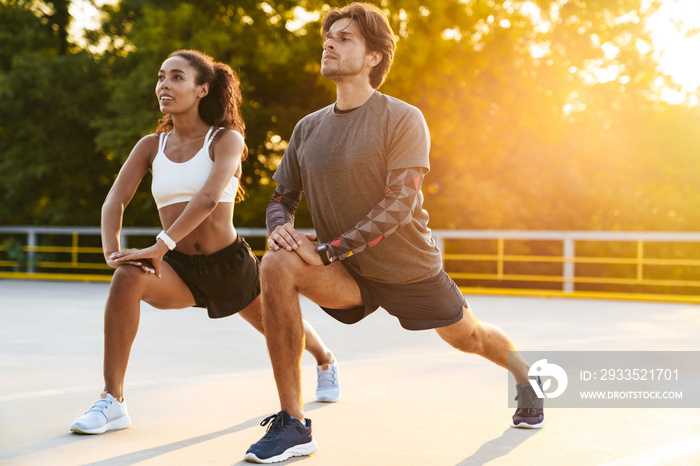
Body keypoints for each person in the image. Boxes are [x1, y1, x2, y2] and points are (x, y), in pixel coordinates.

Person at [243, 3, 544, 463]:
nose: (329, 43)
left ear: (373, 57)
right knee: (276, 264)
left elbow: (400, 203)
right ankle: (294, 423)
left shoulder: (402, 118)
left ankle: (524, 375)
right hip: (345, 271)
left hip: (407, 269)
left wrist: (327, 249)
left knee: (469, 338)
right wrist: (281, 231)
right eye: (329, 36)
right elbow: (281, 198)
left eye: (345, 39)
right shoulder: (308, 129)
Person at [69, 49, 340, 435]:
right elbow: (116, 199)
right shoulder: (151, 145)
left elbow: (208, 198)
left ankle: (325, 359)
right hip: (178, 269)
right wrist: (112, 251)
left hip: (229, 266)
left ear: (202, 89)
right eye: (161, 77)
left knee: (280, 326)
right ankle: (113, 401)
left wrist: (160, 244)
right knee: (126, 278)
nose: (165, 84)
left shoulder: (226, 139)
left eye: (177, 77)